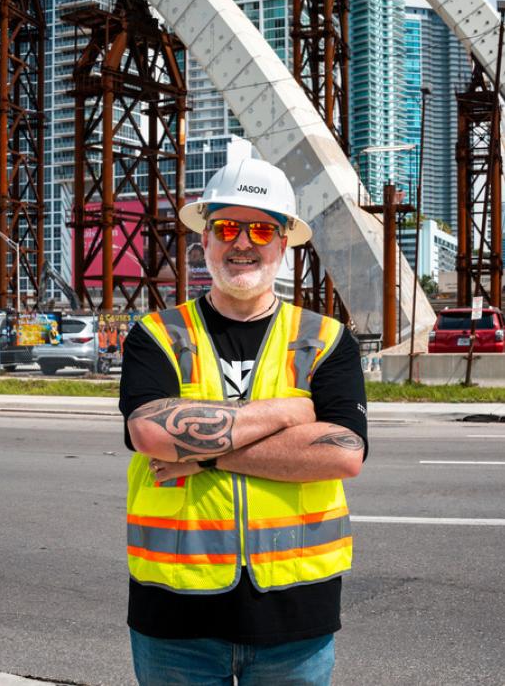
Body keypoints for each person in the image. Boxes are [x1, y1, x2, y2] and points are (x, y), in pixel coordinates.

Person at [119, 142, 368, 685]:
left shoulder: (325, 340)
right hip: (174, 618)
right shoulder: (157, 335)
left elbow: (345, 455)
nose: (242, 244)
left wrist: (204, 458)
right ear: (204, 236)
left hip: (295, 619)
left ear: (284, 243)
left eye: (260, 231)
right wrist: (288, 411)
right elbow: (150, 434)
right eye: (228, 227)